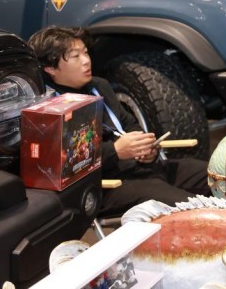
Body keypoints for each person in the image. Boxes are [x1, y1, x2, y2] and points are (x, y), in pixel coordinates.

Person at [27, 26, 212, 217]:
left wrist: (144, 146)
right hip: (105, 185)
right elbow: (63, 163)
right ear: (50, 68)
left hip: (141, 168)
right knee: (194, 208)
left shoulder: (99, 85)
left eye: (86, 53)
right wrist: (115, 151)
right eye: (75, 56)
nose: (86, 61)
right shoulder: (47, 109)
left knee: (221, 175)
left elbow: (129, 123)